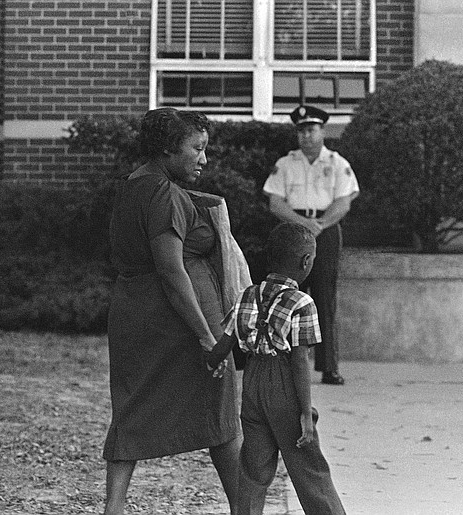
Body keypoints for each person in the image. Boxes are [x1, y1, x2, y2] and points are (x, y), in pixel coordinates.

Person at [103, 107, 250, 515]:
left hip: (134, 313)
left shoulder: (133, 184)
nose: (204, 159)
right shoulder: (164, 194)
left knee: (130, 409)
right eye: (197, 148)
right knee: (220, 414)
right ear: (169, 148)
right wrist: (206, 336)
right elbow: (172, 270)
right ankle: (245, 508)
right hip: (177, 322)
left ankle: (112, 508)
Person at [204, 222, 346, 515]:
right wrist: (306, 413)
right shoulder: (302, 302)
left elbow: (224, 343)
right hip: (284, 388)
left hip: (253, 386)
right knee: (309, 470)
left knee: (253, 471)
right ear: (306, 261)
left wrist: (212, 362)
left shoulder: (247, 295)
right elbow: (298, 361)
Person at [262, 105, 359, 385]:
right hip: (293, 230)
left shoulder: (338, 163)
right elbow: (276, 202)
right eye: (301, 131)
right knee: (287, 297)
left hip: (325, 231)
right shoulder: (286, 163)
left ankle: (329, 367)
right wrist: (303, 224)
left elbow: (344, 201)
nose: (306, 136)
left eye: (311, 130)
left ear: (323, 131)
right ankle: (282, 363)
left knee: (324, 296)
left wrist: (320, 225)